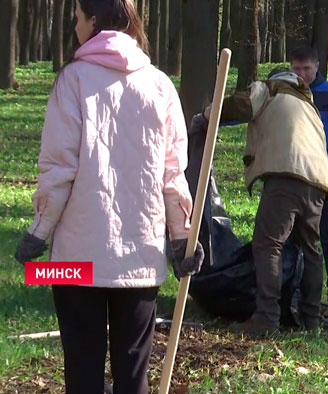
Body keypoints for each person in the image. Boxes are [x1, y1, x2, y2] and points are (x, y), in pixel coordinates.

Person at [12, 1, 203, 392]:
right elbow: (173, 173)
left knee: (82, 369)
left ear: (93, 21)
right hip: (141, 259)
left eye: (78, 19)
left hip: (76, 261)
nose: (76, 27)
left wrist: (38, 230)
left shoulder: (73, 80)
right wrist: (182, 236)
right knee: (133, 373)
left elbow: (58, 167)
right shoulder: (160, 84)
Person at [211, 67, 328, 336]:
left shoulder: (269, 89)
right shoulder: (308, 105)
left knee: (268, 244)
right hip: (318, 181)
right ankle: (311, 320)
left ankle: (266, 319)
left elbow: (243, 105)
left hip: (285, 173)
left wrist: (209, 114)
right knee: (310, 249)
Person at [289, 46, 328, 311]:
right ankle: (296, 288)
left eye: (306, 69)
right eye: (296, 69)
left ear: (317, 67)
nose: (302, 75)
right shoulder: (287, 91)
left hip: (326, 172)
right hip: (296, 171)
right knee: (297, 235)